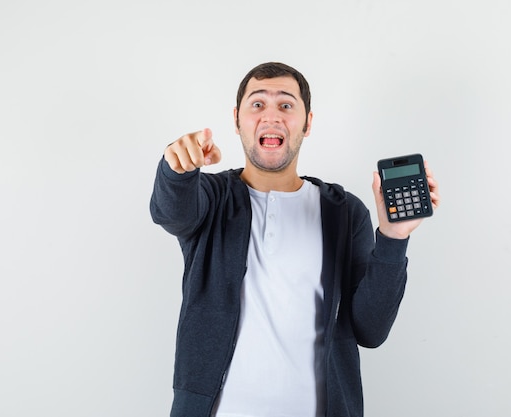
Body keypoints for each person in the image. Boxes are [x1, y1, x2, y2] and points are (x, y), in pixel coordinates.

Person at [150, 62, 440, 417]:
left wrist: (393, 237)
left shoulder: (345, 211)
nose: (271, 116)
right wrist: (176, 169)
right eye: (257, 104)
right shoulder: (210, 197)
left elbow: (371, 329)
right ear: (237, 120)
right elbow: (170, 211)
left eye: (286, 105)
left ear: (307, 123)